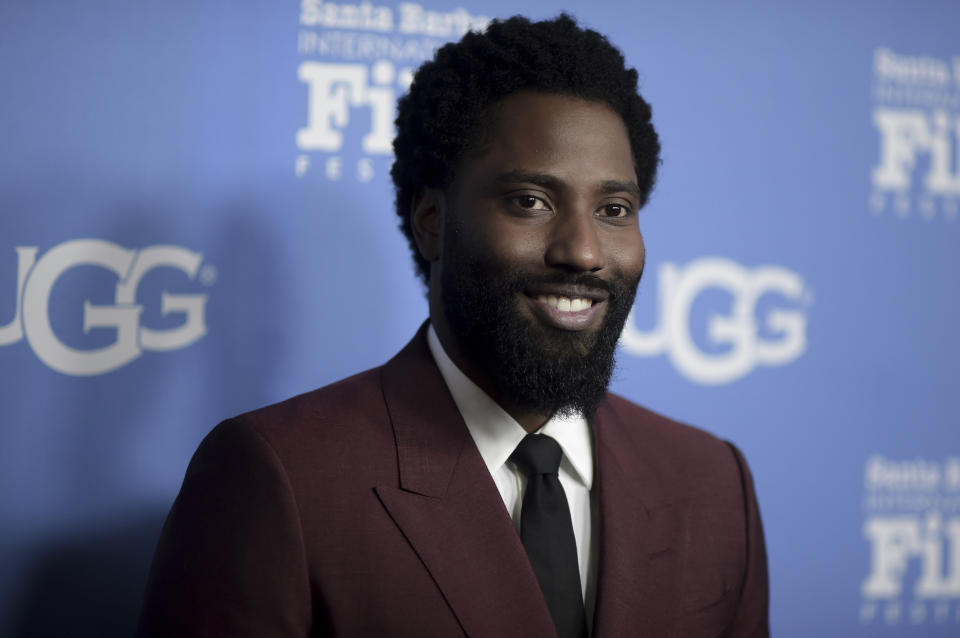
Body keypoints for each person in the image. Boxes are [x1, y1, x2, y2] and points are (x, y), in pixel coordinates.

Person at [139, 14, 769, 638]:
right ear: (432, 220)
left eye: (613, 209)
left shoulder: (713, 482)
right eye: (530, 201)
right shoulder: (279, 479)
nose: (583, 250)